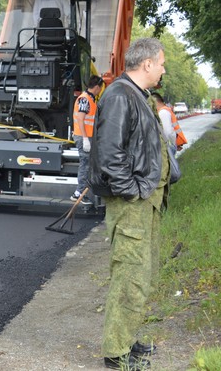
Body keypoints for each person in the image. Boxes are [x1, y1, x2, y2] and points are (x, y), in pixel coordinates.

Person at [89, 37, 170, 370]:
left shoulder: (135, 95)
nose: (164, 69)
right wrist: (133, 191)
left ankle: (125, 339)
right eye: (162, 63)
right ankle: (117, 354)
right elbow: (110, 155)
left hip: (144, 202)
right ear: (147, 63)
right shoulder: (121, 96)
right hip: (132, 203)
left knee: (140, 274)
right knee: (129, 277)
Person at [70, 74, 104, 204]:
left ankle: (81, 191)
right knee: (85, 165)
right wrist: (85, 138)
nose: (100, 90)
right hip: (84, 137)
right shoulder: (84, 99)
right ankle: (78, 193)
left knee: (88, 165)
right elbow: (80, 118)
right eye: (100, 88)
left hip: (88, 137)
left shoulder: (90, 99)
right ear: (96, 87)